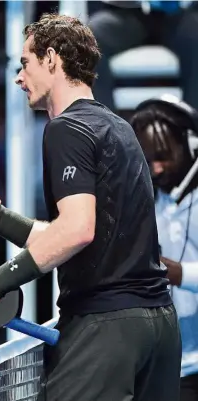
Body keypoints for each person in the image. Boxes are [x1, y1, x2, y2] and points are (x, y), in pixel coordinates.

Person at [0, 13, 182, 401]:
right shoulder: (120, 127)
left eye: (25, 64)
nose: (18, 78)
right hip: (158, 329)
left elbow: (76, 231)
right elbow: (83, 235)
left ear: (51, 58)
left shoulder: (65, 128)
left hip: (106, 330)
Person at [131, 94, 198, 401]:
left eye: (163, 156)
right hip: (171, 368)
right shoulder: (145, 201)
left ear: (192, 144)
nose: (156, 169)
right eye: (148, 160)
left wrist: (179, 273)